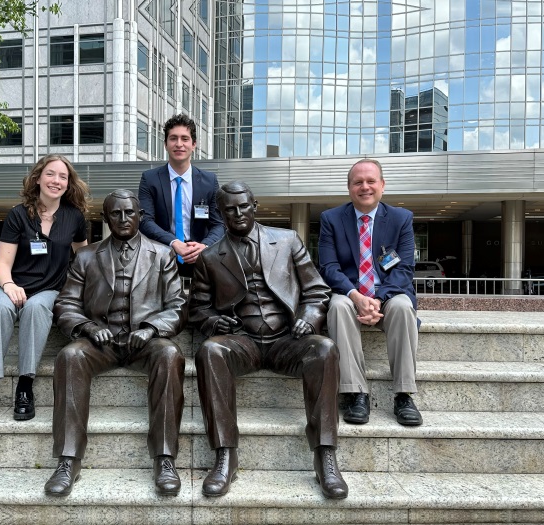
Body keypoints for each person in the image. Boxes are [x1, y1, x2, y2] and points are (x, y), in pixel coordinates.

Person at [189, 181, 348, 500]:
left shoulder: (287, 240)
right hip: (242, 341)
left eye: (243, 206)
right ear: (220, 213)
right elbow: (197, 309)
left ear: (254, 205)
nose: (237, 213)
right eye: (230, 209)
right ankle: (225, 455)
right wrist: (212, 320)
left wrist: (308, 317)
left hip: (287, 339)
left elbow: (316, 290)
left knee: (325, 348)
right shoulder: (209, 257)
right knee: (209, 350)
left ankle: (325, 456)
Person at [44, 189, 187, 497]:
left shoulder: (162, 254)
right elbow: (66, 304)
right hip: (102, 343)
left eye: (130, 213)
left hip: (145, 342)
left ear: (140, 216)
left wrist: (151, 329)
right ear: (105, 218)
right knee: (70, 357)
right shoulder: (85, 256)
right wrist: (87, 326)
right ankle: (68, 460)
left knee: (171, 354)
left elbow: (178, 305)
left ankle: (164, 458)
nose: (123, 219)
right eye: (115, 214)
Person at [0, 155, 89, 422]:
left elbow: (85, 258)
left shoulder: (74, 218)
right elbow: (2, 264)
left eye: (62, 177)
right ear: (38, 178)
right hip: (12, 285)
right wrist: (8, 285)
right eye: (50, 174)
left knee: (35, 308)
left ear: (68, 184)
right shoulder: (19, 215)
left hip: (49, 289)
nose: (56, 181)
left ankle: (24, 387)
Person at [318, 158, 422, 427]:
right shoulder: (331, 219)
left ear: (382, 185)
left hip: (387, 294)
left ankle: (404, 394)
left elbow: (404, 269)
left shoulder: (401, 219)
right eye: (358, 182)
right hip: (349, 293)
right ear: (349, 187)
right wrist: (356, 297)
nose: (364, 187)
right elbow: (329, 268)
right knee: (338, 306)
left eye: (370, 181)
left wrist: (376, 300)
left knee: (401, 306)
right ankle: (356, 393)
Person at [138, 113, 224, 277]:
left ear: (194, 144)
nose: (179, 144)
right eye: (173, 138)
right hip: (161, 259)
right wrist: (174, 242)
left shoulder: (209, 181)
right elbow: (145, 221)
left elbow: (218, 224)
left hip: (201, 260)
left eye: (185, 139)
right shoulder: (149, 179)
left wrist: (204, 246)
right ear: (165, 144)